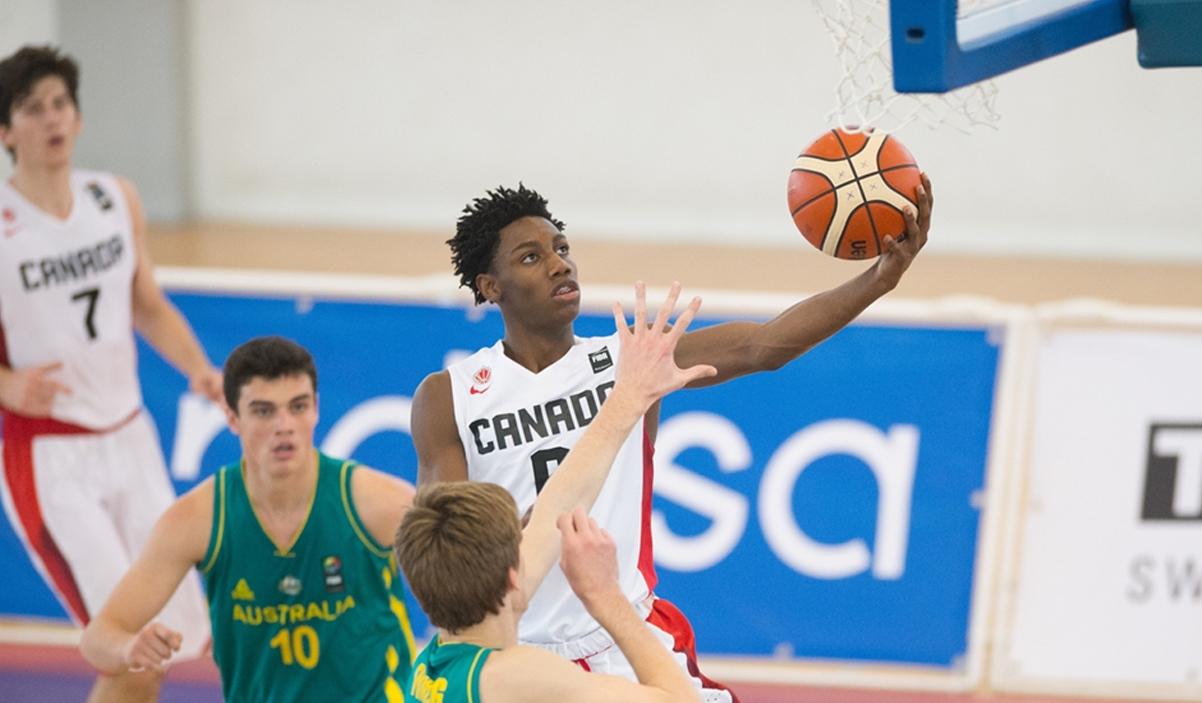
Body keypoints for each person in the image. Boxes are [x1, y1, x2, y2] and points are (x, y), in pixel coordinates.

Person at [411, 179, 933, 700]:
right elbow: (447, 547)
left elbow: (761, 346)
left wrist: (879, 280)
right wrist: (533, 526)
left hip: (624, 637)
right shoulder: (449, 396)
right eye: (531, 257)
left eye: (562, 248)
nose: (559, 264)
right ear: (490, 285)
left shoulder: (633, 361)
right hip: (518, 656)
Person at [0, 45, 220, 702]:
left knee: (169, 640)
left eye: (61, 104)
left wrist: (200, 369)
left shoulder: (113, 198)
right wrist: (8, 384)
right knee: (128, 647)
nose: (52, 119)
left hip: (130, 437)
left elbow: (146, 303)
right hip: (49, 453)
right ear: (7, 132)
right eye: (33, 109)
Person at [397, 282, 712, 702]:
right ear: (514, 576)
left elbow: (557, 504)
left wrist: (629, 396)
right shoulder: (517, 677)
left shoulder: (433, 664)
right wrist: (606, 597)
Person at [81, 336, 419, 702]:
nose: (284, 425)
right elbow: (98, 638)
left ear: (316, 409)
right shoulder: (199, 518)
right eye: (263, 411)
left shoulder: (378, 503)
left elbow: (471, 591)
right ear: (231, 416)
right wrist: (129, 647)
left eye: (298, 406)